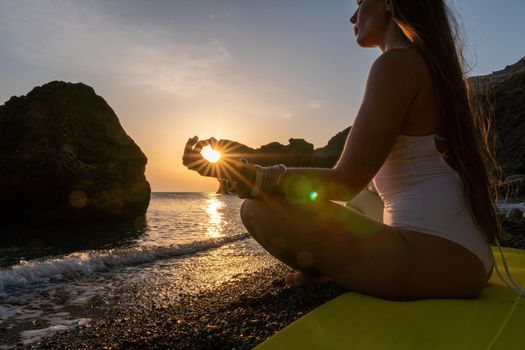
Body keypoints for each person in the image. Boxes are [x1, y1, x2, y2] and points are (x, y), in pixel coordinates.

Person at [182, 0, 505, 301]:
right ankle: (337, 268)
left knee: (259, 210)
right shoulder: (426, 65)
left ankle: (326, 272)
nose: (353, 17)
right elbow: (356, 191)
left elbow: (344, 180)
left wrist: (249, 175)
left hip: (440, 259)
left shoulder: (396, 64)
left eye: (361, 1)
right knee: (361, 202)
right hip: (464, 255)